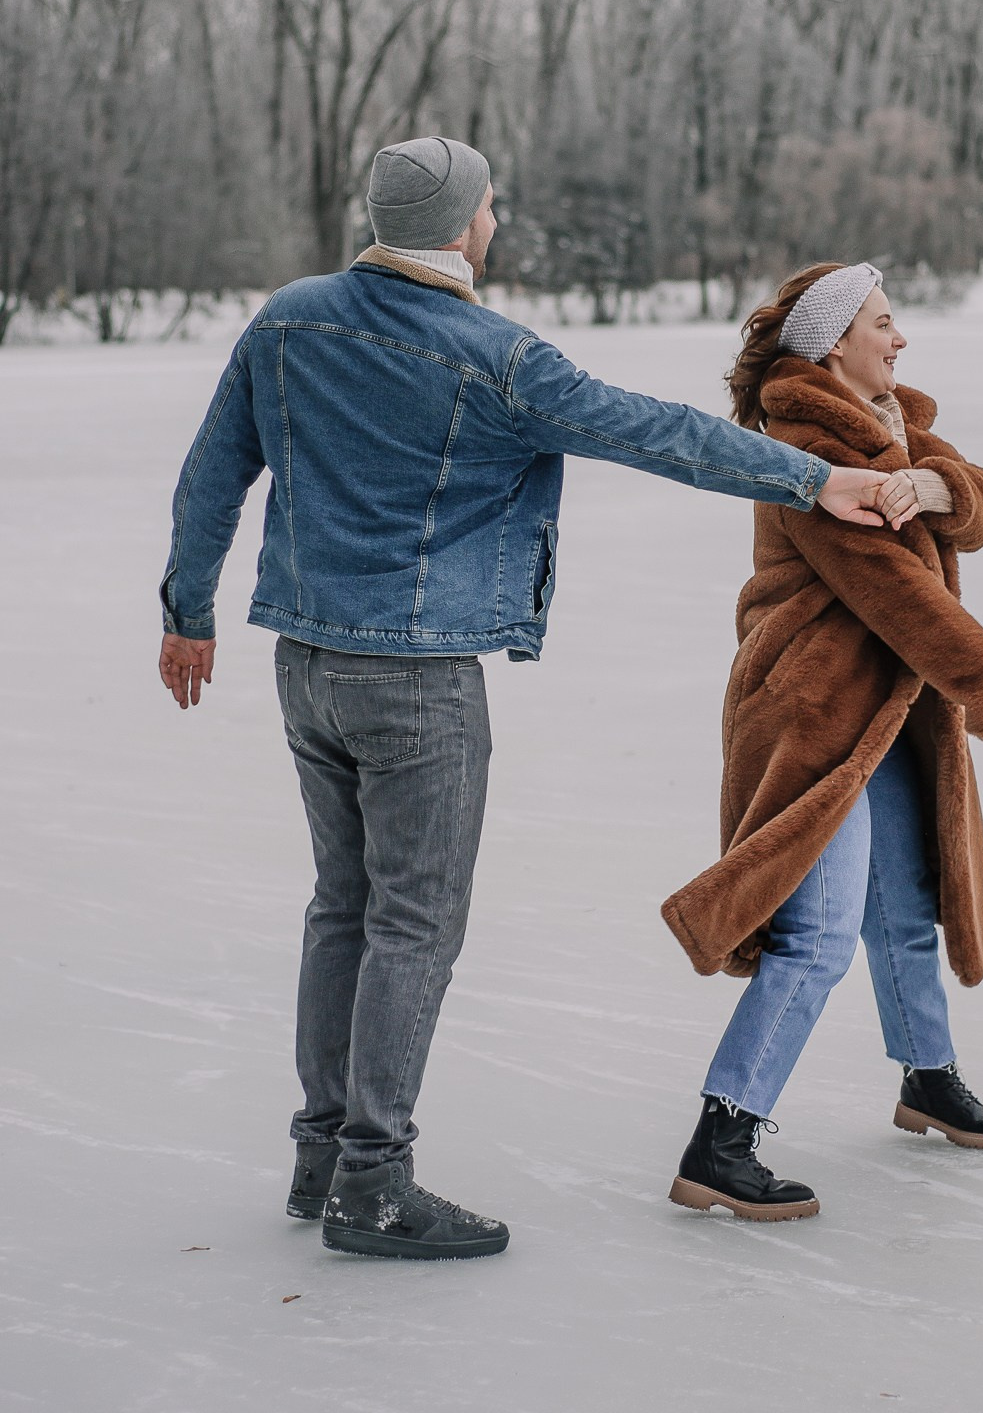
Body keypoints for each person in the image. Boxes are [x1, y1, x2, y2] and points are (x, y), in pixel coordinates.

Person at [157, 140, 902, 1263]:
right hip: (415, 680)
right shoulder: (493, 355)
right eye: (490, 207)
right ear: (461, 226)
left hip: (304, 665)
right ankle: (370, 1179)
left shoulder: (288, 318)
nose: (494, 222)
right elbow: (656, 432)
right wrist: (811, 476)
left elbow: (215, 467)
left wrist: (187, 609)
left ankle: (322, 1158)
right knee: (411, 922)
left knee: (343, 909)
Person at [661, 261, 983, 1222]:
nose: (899, 337)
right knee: (817, 935)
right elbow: (893, 590)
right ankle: (721, 1139)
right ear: (832, 346)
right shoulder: (810, 445)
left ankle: (928, 1078)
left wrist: (935, 485)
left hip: (888, 711)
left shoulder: (893, 424)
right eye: (881, 322)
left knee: (902, 906)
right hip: (816, 712)